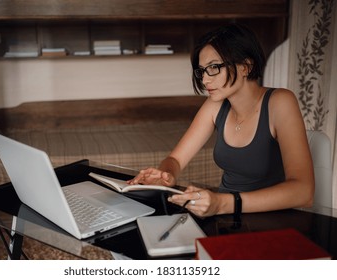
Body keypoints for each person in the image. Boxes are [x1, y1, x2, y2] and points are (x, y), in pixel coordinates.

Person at [128, 23, 314, 218]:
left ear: (245, 67)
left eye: (214, 68)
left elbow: (304, 192)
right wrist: (167, 175)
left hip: (271, 220)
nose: (205, 80)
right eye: (202, 71)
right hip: (225, 218)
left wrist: (223, 203)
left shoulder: (280, 102)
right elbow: (175, 159)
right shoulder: (215, 105)